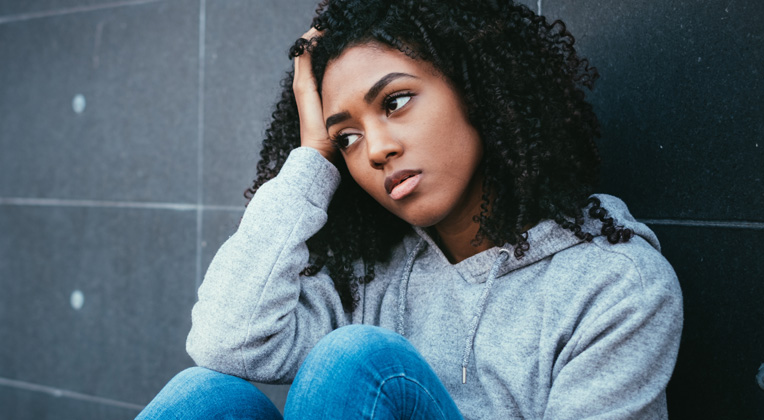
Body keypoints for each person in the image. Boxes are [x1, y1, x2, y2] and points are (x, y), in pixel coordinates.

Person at [138, 0, 683, 418]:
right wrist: (309, 159)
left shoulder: (614, 285)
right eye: (346, 137)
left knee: (356, 362)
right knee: (203, 395)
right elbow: (223, 341)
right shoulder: (373, 277)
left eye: (395, 103)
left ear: (477, 88)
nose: (376, 149)